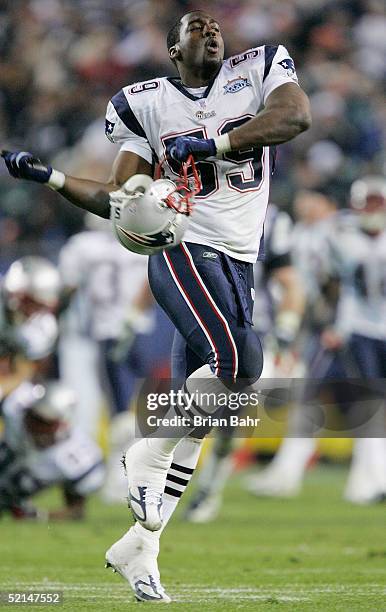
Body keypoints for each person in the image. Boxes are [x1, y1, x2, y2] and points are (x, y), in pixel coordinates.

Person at [1, 9, 311, 602]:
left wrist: (216, 141)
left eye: (215, 24)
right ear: (173, 48)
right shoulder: (141, 103)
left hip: (240, 257)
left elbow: (295, 115)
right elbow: (124, 201)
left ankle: (140, 547)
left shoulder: (261, 66)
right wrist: (55, 178)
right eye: (195, 26)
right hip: (182, 245)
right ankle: (144, 454)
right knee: (241, 362)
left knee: (204, 418)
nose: (210, 29)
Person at [0, 379, 105, 520]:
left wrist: (37, 516)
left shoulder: (75, 456)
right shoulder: (16, 406)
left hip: (13, 493)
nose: (34, 424)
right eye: (33, 416)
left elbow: (76, 511)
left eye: (43, 421)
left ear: (61, 423)